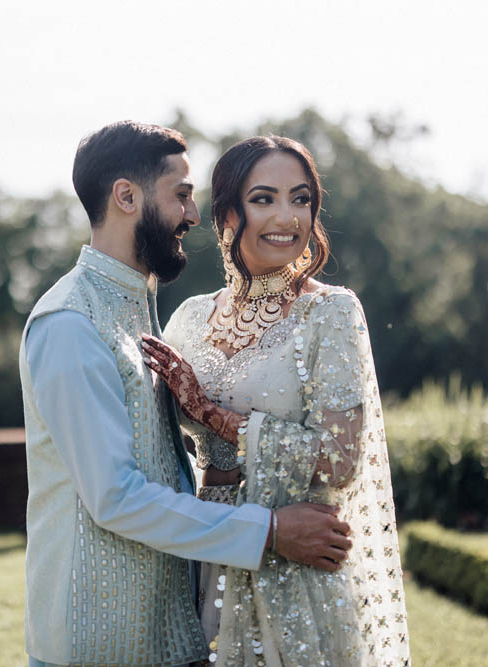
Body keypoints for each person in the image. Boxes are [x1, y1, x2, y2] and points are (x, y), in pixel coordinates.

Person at [20, 122, 354, 667]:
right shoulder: (70, 324)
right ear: (126, 196)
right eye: (181, 194)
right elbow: (116, 498)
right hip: (98, 644)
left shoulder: (140, 308)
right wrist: (268, 530)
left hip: (174, 632)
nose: (194, 215)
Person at [143, 135, 410, 665]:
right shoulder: (189, 318)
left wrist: (216, 418)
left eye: (302, 198)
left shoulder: (329, 314)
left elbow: (339, 459)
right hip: (202, 553)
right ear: (225, 215)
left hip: (293, 571)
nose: (286, 216)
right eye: (263, 198)